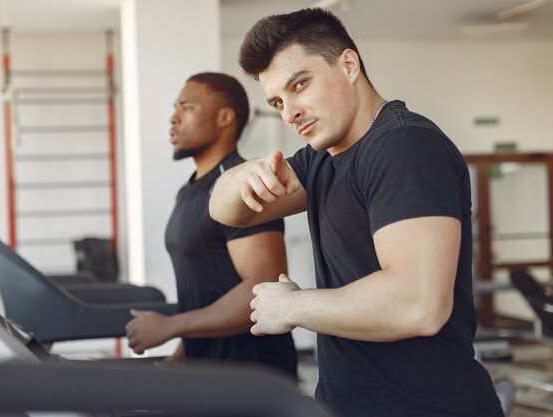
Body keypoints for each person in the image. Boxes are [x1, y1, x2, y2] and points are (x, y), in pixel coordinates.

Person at [209, 8, 503, 417]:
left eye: (300, 84)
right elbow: (228, 213)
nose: (289, 112)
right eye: (278, 100)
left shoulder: (404, 147)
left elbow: (417, 305)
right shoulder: (319, 160)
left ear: (348, 64)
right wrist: (243, 175)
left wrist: (292, 307)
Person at [125, 72, 297, 378]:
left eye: (187, 108)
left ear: (224, 118)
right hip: (207, 369)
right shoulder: (190, 190)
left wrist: (170, 326)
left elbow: (264, 288)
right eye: (175, 108)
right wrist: (185, 350)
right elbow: (209, 285)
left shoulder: (244, 185)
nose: (173, 119)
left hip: (250, 375)